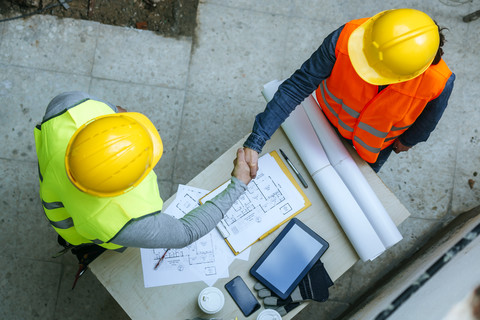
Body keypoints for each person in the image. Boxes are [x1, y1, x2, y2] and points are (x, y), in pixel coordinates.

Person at [34, 91, 252, 269]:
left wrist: (120, 123)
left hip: (56, 189)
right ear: (127, 185)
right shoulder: (124, 223)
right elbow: (186, 232)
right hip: (79, 232)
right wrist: (238, 184)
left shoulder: (70, 105)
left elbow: (116, 110)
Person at [243, 8, 455, 174]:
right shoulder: (347, 37)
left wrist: (408, 141)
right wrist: (256, 141)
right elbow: (297, 87)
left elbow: (429, 120)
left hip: (372, 149)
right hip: (322, 121)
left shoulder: (439, 82)